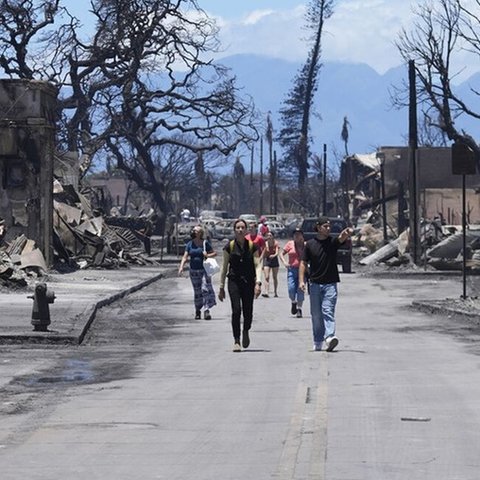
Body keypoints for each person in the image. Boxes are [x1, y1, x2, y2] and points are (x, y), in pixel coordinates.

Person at [299, 216, 354, 352]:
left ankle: (330, 337)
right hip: (315, 284)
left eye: (329, 226)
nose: (328, 229)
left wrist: (346, 233)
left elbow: (341, 238)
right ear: (318, 228)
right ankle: (318, 340)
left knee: (327, 310)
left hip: (330, 284)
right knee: (316, 314)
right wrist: (301, 280)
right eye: (325, 226)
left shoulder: (332, 242)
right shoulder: (310, 244)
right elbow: (303, 263)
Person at [218, 219, 263, 352]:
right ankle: (236, 340)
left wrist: (258, 283)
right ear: (234, 230)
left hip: (248, 282)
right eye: (237, 228)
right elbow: (224, 267)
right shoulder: (229, 247)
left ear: (246, 230)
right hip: (234, 281)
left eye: (243, 227)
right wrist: (221, 287)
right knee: (236, 310)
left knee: (248, 311)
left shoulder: (252, 246)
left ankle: (246, 330)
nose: (240, 230)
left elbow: (257, 265)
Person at [178, 225, 217, 320]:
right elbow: (185, 256)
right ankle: (197, 311)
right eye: (194, 230)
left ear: (200, 233)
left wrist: (207, 255)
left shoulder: (205, 243)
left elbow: (214, 253)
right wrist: (181, 267)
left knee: (205, 289)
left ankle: (206, 310)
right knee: (197, 292)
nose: (194, 231)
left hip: (204, 270)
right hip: (193, 271)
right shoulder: (190, 244)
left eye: (196, 230)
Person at [280, 228, 306, 317]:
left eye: (299, 234)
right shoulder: (290, 244)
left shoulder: (305, 245)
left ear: (302, 236)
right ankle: (293, 302)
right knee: (291, 289)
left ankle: (299, 309)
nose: (297, 236)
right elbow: (281, 254)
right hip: (292, 269)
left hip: (302, 270)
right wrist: (284, 262)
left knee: (300, 290)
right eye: (295, 234)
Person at [262, 231, 280, 298]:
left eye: (270, 235)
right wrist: (261, 264)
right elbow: (263, 253)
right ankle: (266, 292)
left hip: (274, 260)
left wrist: (274, 255)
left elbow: (277, 252)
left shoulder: (276, 243)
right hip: (267, 260)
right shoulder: (265, 243)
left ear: (273, 236)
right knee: (266, 277)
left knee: (274, 277)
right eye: (268, 235)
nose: (269, 237)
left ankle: (275, 292)